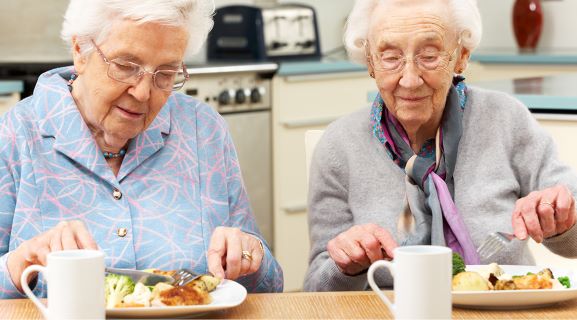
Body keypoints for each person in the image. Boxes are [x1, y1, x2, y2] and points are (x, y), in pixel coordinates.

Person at [0, 0, 283, 298]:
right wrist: (20, 265)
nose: (144, 92)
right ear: (80, 51)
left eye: (165, 73)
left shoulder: (204, 131)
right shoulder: (14, 136)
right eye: (125, 66)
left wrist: (252, 258)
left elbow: (268, 287)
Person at [304, 0, 577, 291]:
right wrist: (345, 265)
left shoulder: (506, 119)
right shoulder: (338, 146)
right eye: (390, 57)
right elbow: (317, 289)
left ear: (461, 56)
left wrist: (561, 219)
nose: (409, 80)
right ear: (371, 62)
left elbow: (572, 221)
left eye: (430, 55)